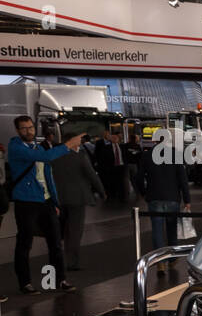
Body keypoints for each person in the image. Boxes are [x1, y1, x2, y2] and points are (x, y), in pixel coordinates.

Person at [7, 116, 80, 294]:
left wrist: (54, 201)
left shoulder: (37, 146)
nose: (29, 131)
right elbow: (44, 157)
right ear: (17, 130)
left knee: (55, 242)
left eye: (31, 127)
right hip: (26, 201)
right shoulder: (16, 147)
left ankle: (60, 279)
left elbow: (48, 176)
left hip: (45, 201)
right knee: (25, 243)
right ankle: (25, 283)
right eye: (24, 128)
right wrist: (68, 145)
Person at [46, 126, 106, 271]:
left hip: (57, 198)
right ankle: (71, 262)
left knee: (59, 231)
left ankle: (57, 259)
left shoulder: (53, 155)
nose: (80, 143)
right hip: (77, 199)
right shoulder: (80, 156)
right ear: (71, 142)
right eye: (78, 140)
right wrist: (102, 192)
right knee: (74, 231)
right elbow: (92, 175)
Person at [137, 138, 191, 248]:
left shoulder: (147, 155)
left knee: (157, 230)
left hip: (154, 197)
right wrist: (187, 199)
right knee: (172, 230)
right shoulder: (175, 155)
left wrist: (144, 193)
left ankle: (160, 262)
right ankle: (173, 258)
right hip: (172, 197)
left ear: (155, 141)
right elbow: (183, 179)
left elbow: (139, 178)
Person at [93, 130, 128, 203]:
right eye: (113, 138)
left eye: (116, 138)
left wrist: (125, 165)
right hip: (111, 167)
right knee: (112, 182)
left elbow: (125, 157)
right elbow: (102, 158)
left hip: (121, 167)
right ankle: (112, 195)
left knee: (121, 182)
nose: (115, 139)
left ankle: (122, 196)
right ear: (111, 139)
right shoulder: (106, 148)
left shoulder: (122, 147)